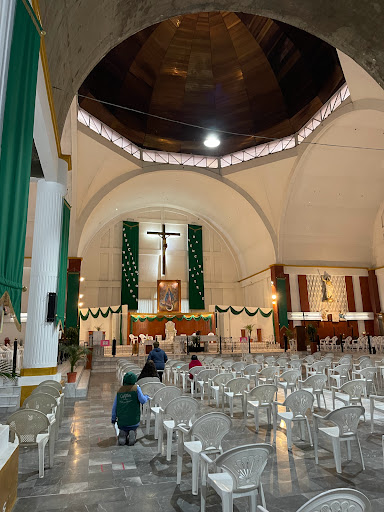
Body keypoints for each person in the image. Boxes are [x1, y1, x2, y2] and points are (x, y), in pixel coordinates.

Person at [111, 372, 149, 446]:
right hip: (134, 420)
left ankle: (123, 434)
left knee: (123, 427)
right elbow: (143, 400)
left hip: (122, 421)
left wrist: (113, 418)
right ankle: (132, 432)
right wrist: (146, 397)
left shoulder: (120, 391)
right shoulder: (136, 388)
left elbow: (114, 406)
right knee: (132, 425)